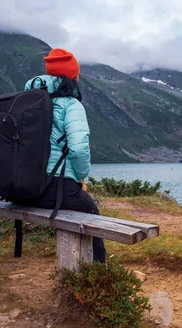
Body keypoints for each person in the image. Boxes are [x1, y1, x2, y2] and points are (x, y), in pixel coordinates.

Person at [20, 48, 106, 263]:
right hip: (54, 188)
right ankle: (96, 276)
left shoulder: (26, 101)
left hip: (21, 187)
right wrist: (80, 176)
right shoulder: (71, 105)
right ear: (73, 77)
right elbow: (78, 148)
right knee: (90, 211)